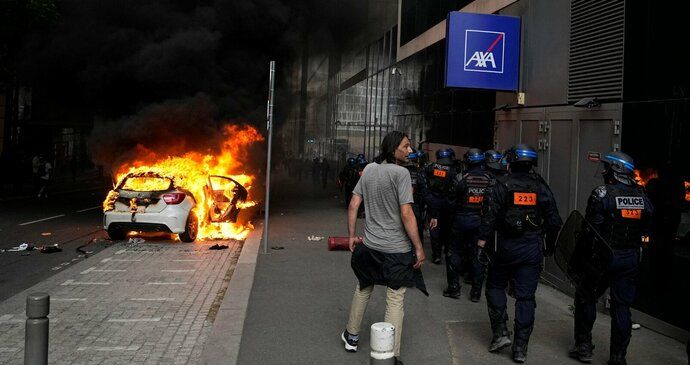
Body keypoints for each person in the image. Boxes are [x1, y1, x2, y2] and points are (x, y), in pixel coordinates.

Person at [341, 131, 427, 365]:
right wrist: (418, 247)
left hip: (369, 247)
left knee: (363, 286)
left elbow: (353, 204)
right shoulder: (401, 174)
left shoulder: (369, 169)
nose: (410, 150)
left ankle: (351, 335)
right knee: (395, 298)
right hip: (396, 251)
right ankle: (391, 354)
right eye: (406, 146)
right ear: (393, 150)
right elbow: (406, 212)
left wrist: (351, 236)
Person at [477, 144, 562, 363]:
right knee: (526, 297)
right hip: (531, 249)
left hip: (505, 248)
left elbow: (490, 216)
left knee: (495, 286)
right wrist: (550, 246)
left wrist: (481, 243)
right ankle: (520, 348)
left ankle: (501, 333)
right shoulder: (540, 186)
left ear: (511, 162)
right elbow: (554, 220)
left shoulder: (501, 184)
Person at [569, 151, 653, 365]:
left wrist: (580, 260)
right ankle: (618, 357)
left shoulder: (602, 194)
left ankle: (584, 347)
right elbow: (646, 224)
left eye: (606, 167)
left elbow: (590, 232)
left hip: (603, 258)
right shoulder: (641, 195)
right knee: (622, 307)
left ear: (615, 170)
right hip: (629, 258)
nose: (604, 171)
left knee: (586, 297)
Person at [447, 148, 493, 302]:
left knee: (454, 252)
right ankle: (476, 292)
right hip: (479, 223)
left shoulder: (460, 178)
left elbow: (451, 202)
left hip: (460, 220)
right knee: (477, 255)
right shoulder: (490, 179)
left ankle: (454, 288)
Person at [424, 148, 461, 265]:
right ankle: (447, 252)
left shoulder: (431, 167)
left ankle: (436, 255)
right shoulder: (454, 169)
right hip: (448, 203)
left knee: (434, 228)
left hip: (433, 201)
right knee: (447, 228)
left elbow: (425, 183)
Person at [403, 149, 427, 248]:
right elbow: (424, 190)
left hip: (402, 204)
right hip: (416, 204)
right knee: (417, 228)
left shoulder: (398, 170)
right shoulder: (419, 172)